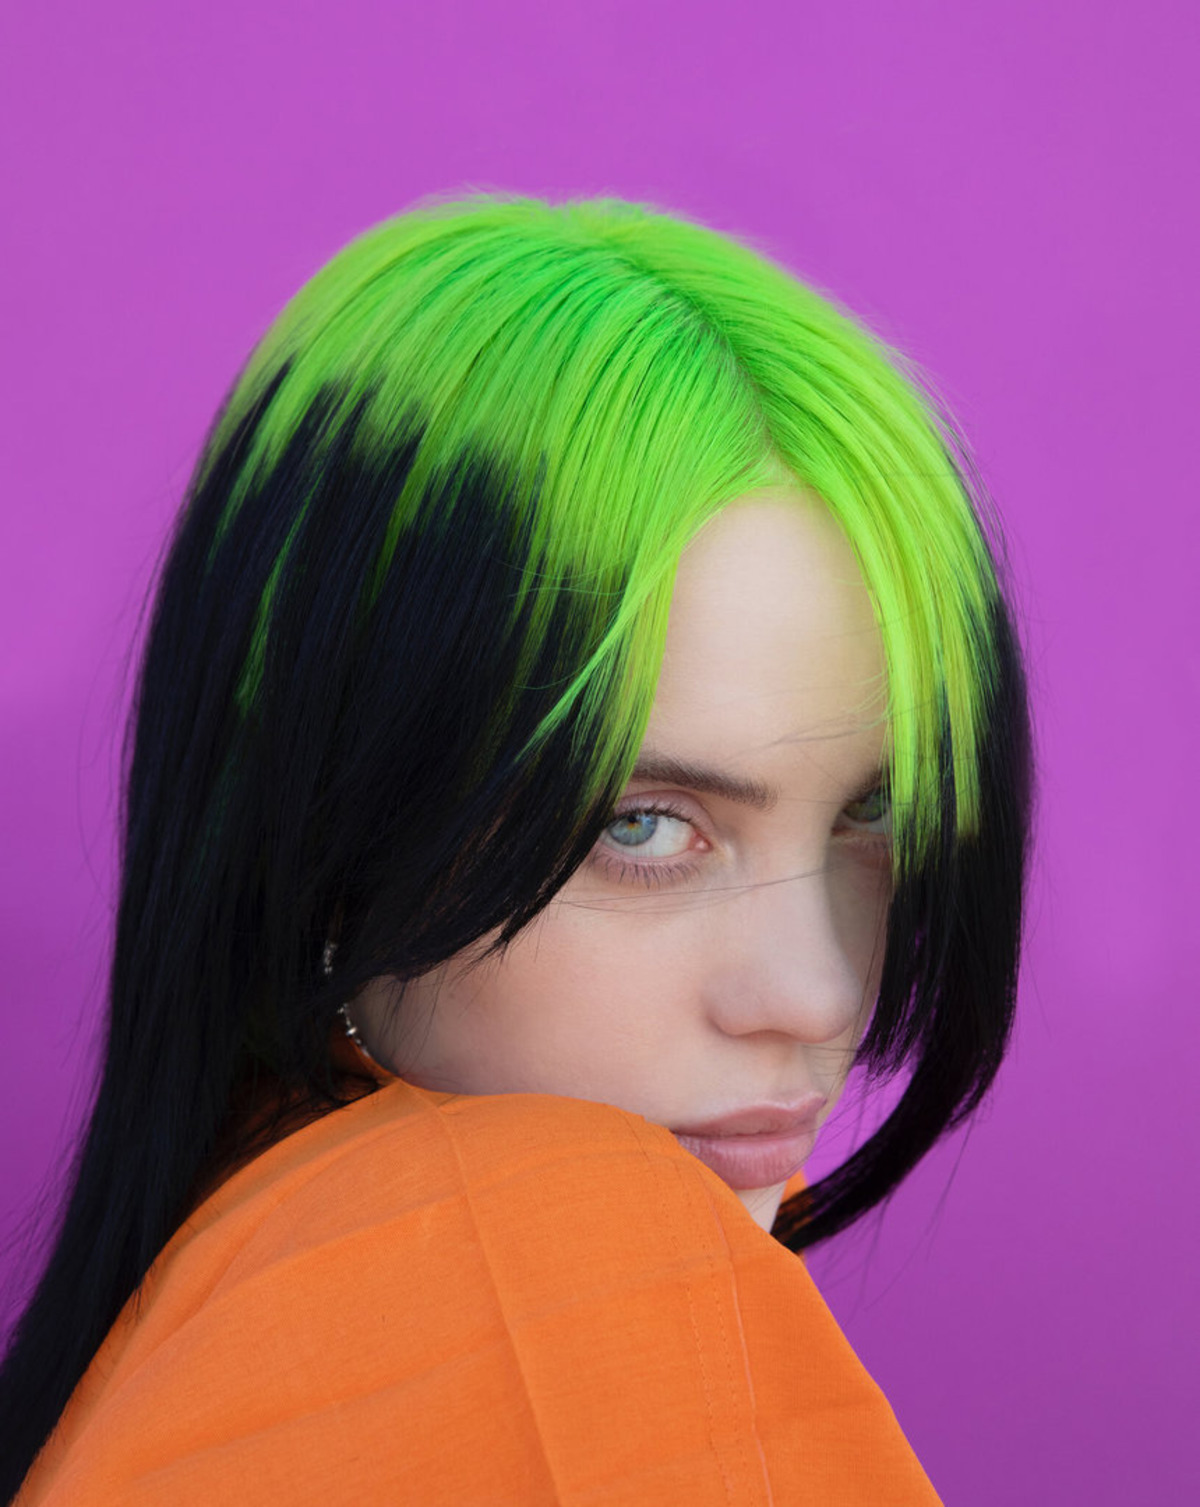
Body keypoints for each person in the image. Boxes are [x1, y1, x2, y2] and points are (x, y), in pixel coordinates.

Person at [1, 193, 1033, 1504]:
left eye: (872, 815)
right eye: (641, 825)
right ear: (327, 823)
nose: (819, 996)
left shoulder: (232, 1292)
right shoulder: (565, 1252)